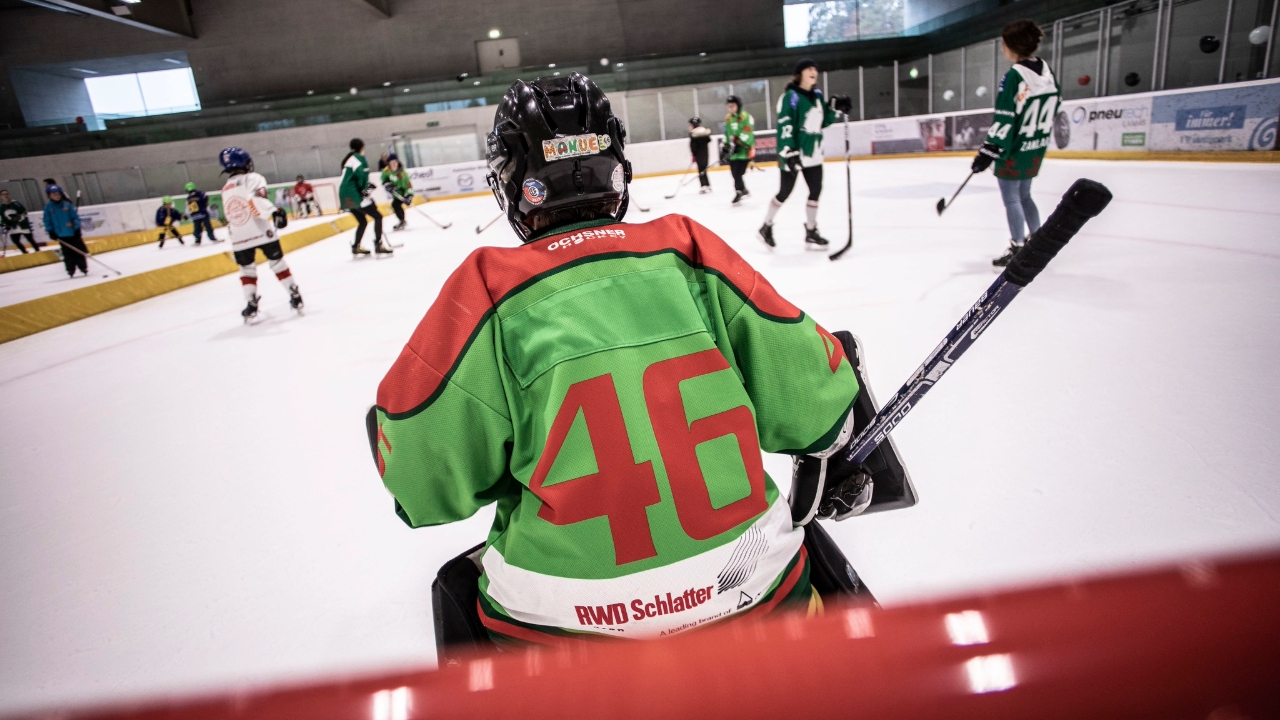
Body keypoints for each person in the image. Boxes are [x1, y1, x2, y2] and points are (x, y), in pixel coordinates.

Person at [366, 72, 872, 646]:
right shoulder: (687, 249)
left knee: (461, 584)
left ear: (512, 180)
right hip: (754, 594)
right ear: (616, 166)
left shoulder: (487, 288)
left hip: (570, 640)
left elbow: (422, 485)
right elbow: (820, 408)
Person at [972, 19, 1060, 267]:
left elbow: (1005, 116)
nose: (1002, 48)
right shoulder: (1046, 71)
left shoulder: (1013, 76)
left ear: (1012, 45)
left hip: (1012, 149)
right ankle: (1037, 241)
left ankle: (1018, 247)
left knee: (1012, 198)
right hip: (1034, 146)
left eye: (1003, 44)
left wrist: (989, 149)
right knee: (1025, 195)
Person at [758, 59, 852, 250]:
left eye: (815, 69)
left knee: (815, 191)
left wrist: (835, 109)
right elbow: (785, 123)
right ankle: (766, 226)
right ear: (799, 73)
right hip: (794, 153)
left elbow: (823, 121)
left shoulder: (817, 95)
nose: (813, 72)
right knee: (785, 192)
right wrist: (789, 151)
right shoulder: (790, 97)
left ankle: (811, 231)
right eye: (809, 69)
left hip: (814, 153)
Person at [218, 147, 303, 321]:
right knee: (277, 263)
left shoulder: (225, 188)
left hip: (239, 235)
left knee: (247, 269)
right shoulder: (254, 178)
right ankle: (294, 294)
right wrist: (274, 211)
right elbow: (256, 200)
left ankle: (251, 303)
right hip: (261, 230)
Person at [340, 138, 391, 256]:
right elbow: (362, 176)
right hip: (354, 194)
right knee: (378, 216)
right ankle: (378, 245)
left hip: (345, 196)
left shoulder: (348, 159)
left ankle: (355, 246)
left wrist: (366, 193)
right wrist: (366, 193)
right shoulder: (359, 159)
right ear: (362, 147)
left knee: (362, 221)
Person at [42, 184, 88, 277]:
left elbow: (75, 218)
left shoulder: (67, 205)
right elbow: (47, 220)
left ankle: (83, 267)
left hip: (72, 233)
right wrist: (50, 231)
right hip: (61, 235)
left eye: (58, 193)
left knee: (78, 252)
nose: (57, 195)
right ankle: (70, 269)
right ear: (49, 195)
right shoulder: (48, 208)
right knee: (67, 254)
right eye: (54, 194)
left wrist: (77, 229)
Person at [722, 97, 755, 204]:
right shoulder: (728, 118)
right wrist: (725, 146)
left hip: (744, 150)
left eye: (733, 106)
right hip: (733, 151)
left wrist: (739, 143)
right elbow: (727, 133)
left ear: (738, 105)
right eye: (729, 106)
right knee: (734, 173)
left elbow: (748, 132)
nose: (730, 108)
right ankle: (740, 191)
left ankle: (741, 190)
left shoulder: (745, 116)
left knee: (739, 172)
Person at [1, 189, 40, 253]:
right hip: (14, 227)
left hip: (22, 225)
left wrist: (19, 217)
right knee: (15, 240)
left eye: (7, 194)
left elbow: (24, 212)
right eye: (4, 194)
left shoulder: (15, 203)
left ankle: (38, 251)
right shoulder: (2, 207)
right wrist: (4, 224)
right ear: (1, 196)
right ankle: (24, 252)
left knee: (30, 239)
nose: (6, 195)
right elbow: (3, 218)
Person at [381, 155, 412, 231]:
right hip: (395, 192)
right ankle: (402, 220)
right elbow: (383, 178)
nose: (394, 164)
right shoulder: (386, 171)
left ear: (398, 162)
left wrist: (409, 195)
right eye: (392, 162)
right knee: (395, 205)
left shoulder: (402, 173)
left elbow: (408, 184)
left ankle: (402, 220)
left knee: (395, 204)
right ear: (389, 163)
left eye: (395, 162)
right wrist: (387, 184)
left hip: (402, 192)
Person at [688, 117, 712, 193]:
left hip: (699, 155)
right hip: (705, 154)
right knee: (704, 170)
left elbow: (693, 146)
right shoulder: (704, 133)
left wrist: (693, 155)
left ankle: (704, 185)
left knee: (701, 170)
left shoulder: (693, 134)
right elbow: (709, 140)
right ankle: (707, 185)